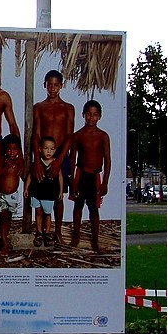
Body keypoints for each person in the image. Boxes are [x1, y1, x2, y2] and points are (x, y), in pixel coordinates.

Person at [31, 70, 75, 244]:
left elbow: (69, 135)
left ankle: (57, 232)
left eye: (56, 84)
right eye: (50, 84)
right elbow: (36, 134)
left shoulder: (68, 108)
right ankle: (40, 231)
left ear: (61, 85)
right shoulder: (39, 107)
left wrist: (59, 160)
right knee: (39, 192)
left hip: (60, 154)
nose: (53, 88)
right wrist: (37, 160)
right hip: (43, 154)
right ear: (45, 85)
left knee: (58, 195)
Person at [68, 100, 111, 253]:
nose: (91, 118)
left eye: (94, 115)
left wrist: (105, 182)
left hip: (95, 177)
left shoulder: (103, 136)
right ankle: (76, 236)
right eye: (88, 114)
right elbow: (72, 159)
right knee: (77, 206)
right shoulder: (78, 135)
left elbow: (107, 160)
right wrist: (72, 180)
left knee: (94, 209)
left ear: (99, 116)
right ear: (83, 115)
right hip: (81, 174)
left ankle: (95, 241)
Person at [23, 136, 63, 248]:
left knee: (47, 213)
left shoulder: (55, 163)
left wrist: (60, 191)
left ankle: (47, 232)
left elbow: (60, 177)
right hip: (36, 192)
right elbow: (30, 176)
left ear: (55, 150)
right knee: (38, 212)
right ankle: (39, 232)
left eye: (51, 149)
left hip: (49, 194)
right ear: (40, 149)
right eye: (46, 148)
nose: (49, 151)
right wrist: (26, 188)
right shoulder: (37, 162)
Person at [0, 134, 24, 255]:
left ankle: (5, 236)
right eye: (9, 149)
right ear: (4, 150)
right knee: (3, 218)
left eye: (15, 149)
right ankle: (4, 244)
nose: (12, 152)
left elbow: (22, 174)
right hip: (1, 195)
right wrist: (5, 167)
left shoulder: (19, 161)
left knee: (8, 218)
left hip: (13, 196)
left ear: (18, 150)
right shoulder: (2, 160)